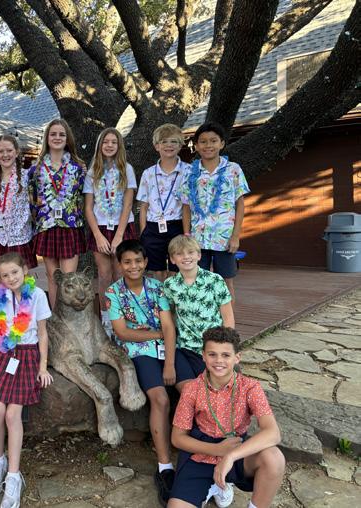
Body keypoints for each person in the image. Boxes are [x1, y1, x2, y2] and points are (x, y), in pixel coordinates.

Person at [105, 240, 198, 506]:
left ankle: (197, 456)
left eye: (138, 261)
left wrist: (169, 364)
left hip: (167, 348)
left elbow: (169, 326)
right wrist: (157, 334)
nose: (133, 266)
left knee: (191, 393)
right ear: (119, 264)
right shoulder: (113, 292)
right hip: (139, 351)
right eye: (127, 262)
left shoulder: (158, 287)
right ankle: (164, 465)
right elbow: (122, 332)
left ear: (145, 262)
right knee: (160, 399)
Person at [168, 326, 285, 508]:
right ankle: (211, 486)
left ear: (237, 357)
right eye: (212, 354)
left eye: (226, 355)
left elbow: (273, 433)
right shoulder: (192, 388)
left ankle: (227, 485)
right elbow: (177, 438)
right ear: (203, 356)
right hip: (201, 452)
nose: (219, 361)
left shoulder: (250, 387)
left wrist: (230, 456)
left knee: (274, 458)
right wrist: (217, 450)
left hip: (236, 449)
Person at [0, 252, 53, 508]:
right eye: (5, 275)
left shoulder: (37, 295)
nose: (11, 278)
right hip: (3, 353)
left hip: (27, 356)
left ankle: (14, 475)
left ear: (25, 270)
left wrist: (43, 367)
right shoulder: (1, 296)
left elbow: (43, 333)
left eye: (14, 272)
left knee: (11, 415)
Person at [180, 122, 249, 305]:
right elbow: (186, 206)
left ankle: (227, 321)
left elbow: (240, 204)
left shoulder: (233, 169)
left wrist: (235, 236)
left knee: (226, 283)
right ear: (196, 145)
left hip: (224, 238)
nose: (208, 145)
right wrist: (187, 235)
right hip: (197, 239)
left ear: (222, 143)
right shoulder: (189, 172)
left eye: (213, 141)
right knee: (198, 282)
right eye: (203, 141)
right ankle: (202, 319)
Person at [84, 127, 138, 335]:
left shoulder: (127, 169)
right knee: (104, 274)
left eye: (113, 142)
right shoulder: (93, 172)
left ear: (119, 146)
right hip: (100, 228)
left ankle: (123, 318)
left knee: (120, 273)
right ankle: (106, 320)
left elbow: (128, 205)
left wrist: (118, 237)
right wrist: (98, 236)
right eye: (105, 142)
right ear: (100, 145)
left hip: (121, 227)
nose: (109, 145)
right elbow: (88, 207)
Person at [29, 118, 86, 308]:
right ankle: (55, 318)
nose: (57, 137)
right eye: (53, 134)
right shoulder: (35, 170)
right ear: (47, 138)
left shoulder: (78, 169)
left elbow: (84, 199)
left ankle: (69, 319)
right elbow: (31, 200)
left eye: (62, 134)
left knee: (68, 279)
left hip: (69, 226)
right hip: (46, 227)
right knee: (52, 277)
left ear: (67, 139)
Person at [163, 235, 234, 377]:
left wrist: (226, 347)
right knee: (190, 385)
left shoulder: (215, 280)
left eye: (190, 252)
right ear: (172, 259)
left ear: (199, 255)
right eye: (179, 254)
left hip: (214, 346)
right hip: (186, 346)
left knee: (220, 382)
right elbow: (170, 314)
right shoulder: (170, 285)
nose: (186, 257)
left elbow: (228, 317)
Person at [137, 124, 190, 282]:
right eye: (164, 141)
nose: (169, 145)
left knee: (177, 269)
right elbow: (143, 206)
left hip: (177, 226)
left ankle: (174, 298)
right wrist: (144, 231)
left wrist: (186, 233)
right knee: (156, 270)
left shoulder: (188, 171)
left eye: (174, 141)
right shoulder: (148, 173)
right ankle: (160, 298)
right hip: (153, 227)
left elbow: (187, 206)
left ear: (180, 145)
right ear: (156, 146)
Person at [0, 134, 37, 277]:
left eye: (9, 150)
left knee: (23, 280)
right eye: (0, 151)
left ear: (17, 152)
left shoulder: (27, 176)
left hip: (19, 236)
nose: (5, 155)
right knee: (0, 281)